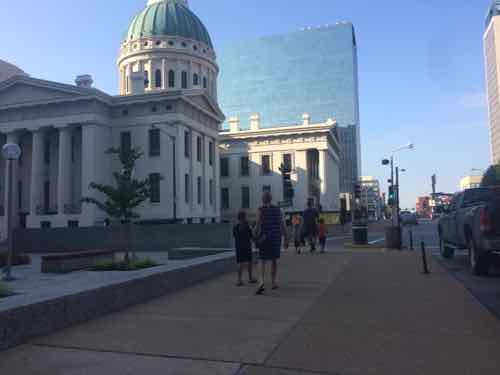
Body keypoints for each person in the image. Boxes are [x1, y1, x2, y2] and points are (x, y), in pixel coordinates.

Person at [254, 192, 289, 294]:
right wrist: (286, 238)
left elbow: (257, 225)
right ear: (271, 199)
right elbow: (283, 224)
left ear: (263, 200)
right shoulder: (278, 210)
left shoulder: (260, 210)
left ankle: (261, 282)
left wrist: (254, 235)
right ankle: (273, 282)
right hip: (276, 238)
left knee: (261, 260)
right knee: (274, 260)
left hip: (265, 238)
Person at [233, 210, 257, 286]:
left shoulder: (235, 227)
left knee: (240, 263)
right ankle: (250, 278)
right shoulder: (247, 226)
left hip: (239, 247)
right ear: (244, 217)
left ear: (238, 218)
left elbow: (234, 236)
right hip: (247, 247)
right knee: (249, 262)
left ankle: (239, 280)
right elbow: (252, 236)